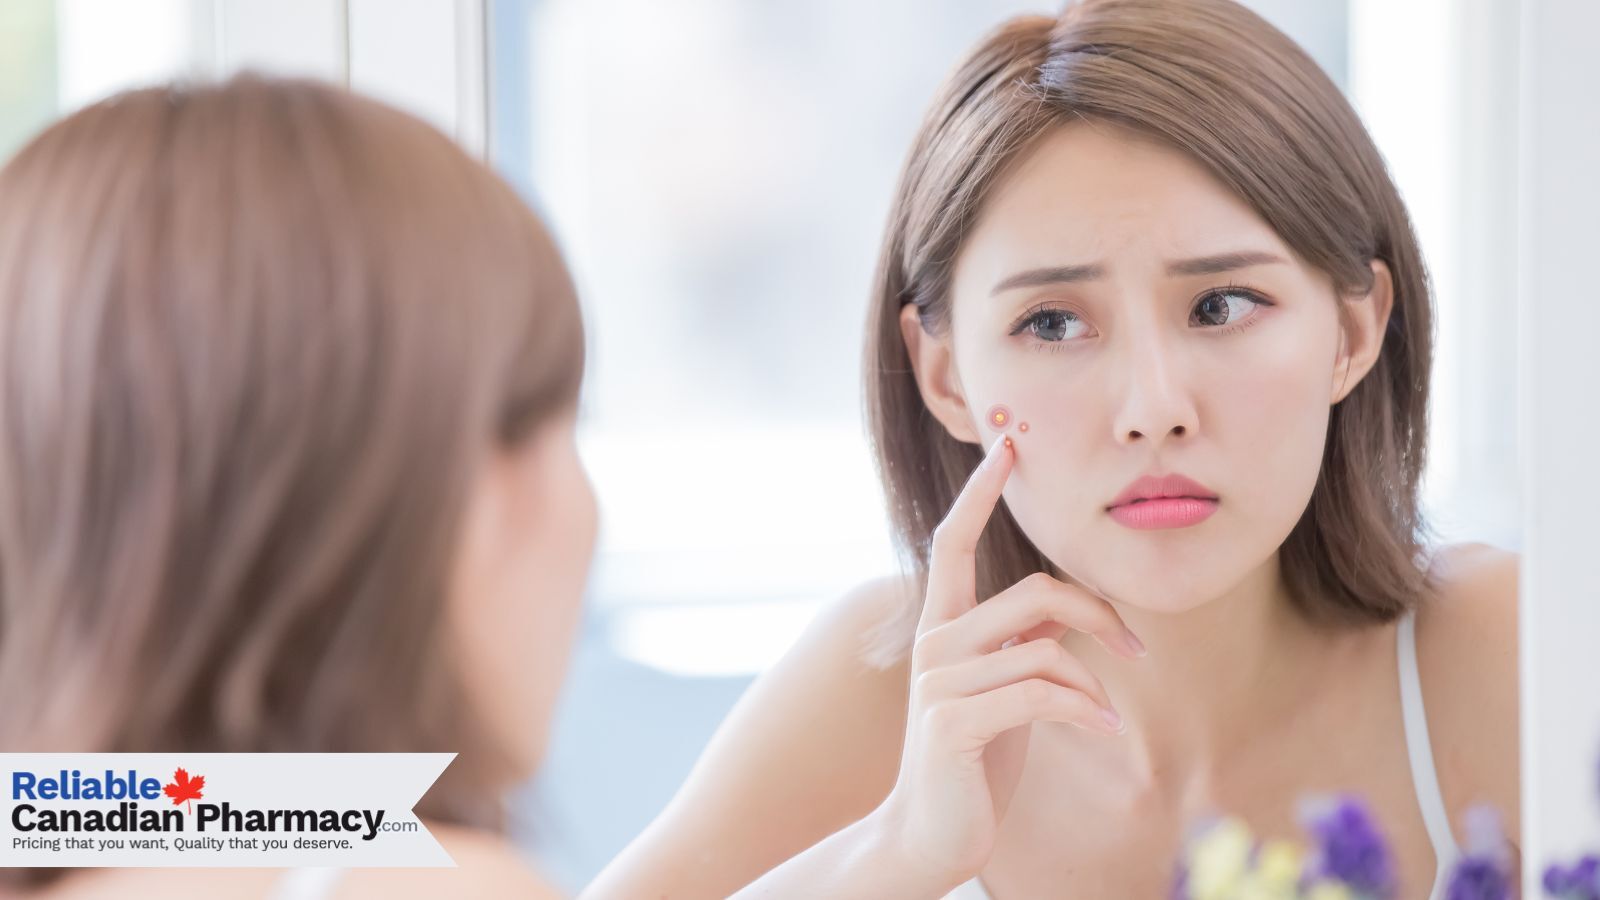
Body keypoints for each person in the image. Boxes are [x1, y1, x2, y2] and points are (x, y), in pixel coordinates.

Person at [581, 0, 1520, 897]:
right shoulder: (885, 690)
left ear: (1354, 334)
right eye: (1054, 323)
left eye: (1222, 305)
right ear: (947, 379)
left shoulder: (1497, 653)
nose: (1154, 409)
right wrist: (892, 852)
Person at [0, 73, 596, 899]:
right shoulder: (415, 886)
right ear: (457, 485)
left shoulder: (82, 826)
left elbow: (154, 811)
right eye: (563, 422)